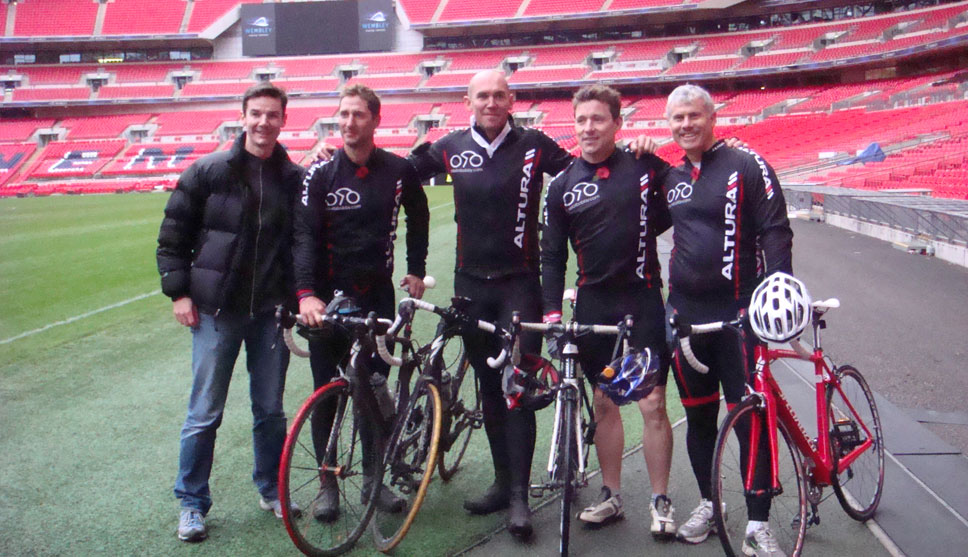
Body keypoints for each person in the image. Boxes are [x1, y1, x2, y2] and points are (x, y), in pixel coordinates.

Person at [157, 83, 304, 543]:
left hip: (270, 312)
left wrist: (300, 298)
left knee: (270, 410)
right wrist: (179, 293)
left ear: (283, 121)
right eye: (256, 114)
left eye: (272, 115)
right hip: (217, 310)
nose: (264, 123)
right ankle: (191, 503)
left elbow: (301, 244)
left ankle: (272, 490)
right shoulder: (208, 170)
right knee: (204, 412)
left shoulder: (293, 177)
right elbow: (172, 236)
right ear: (242, 117)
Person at [661, 84, 794, 557]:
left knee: (748, 420)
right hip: (685, 318)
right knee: (699, 419)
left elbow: (776, 230)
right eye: (677, 118)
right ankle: (707, 504)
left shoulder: (746, 164)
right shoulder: (669, 174)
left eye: (693, 116)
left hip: (738, 315)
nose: (685, 125)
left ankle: (758, 524)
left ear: (712, 117)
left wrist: (777, 294)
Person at [540, 84, 677, 538]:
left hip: (641, 300)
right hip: (592, 304)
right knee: (603, 401)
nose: (588, 128)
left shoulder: (641, 165)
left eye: (598, 119)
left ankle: (660, 499)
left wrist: (720, 150)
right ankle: (611, 495)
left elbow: (689, 186)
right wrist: (551, 315)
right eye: (581, 120)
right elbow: (551, 257)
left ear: (617, 123)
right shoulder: (562, 184)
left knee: (653, 402)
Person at [293, 84, 430, 521]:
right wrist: (306, 294)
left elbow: (419, 214)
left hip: (377, 298)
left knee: (371, 391)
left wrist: (415, 266)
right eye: (343, 115)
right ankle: (327, 484)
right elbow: (303, 239)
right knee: (327, 394)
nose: (348, 123)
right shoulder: (320, 174)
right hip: (326, 304)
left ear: (375, 120)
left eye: (357, 115)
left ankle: (375, 481)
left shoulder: (398, 170)